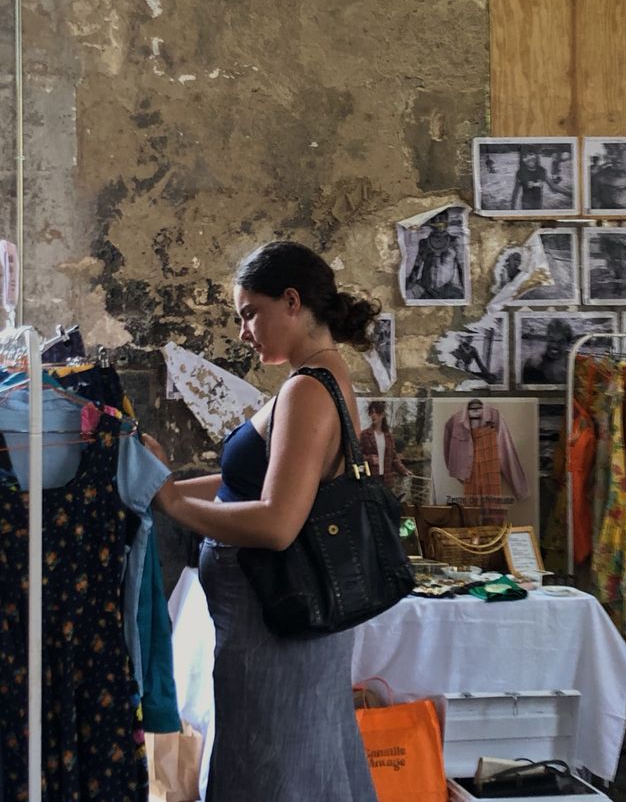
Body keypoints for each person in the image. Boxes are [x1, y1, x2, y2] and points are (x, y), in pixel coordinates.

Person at [143, 241, 380, 802]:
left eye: (250, 313)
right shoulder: (319, 378)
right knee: (295, 762)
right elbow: (245, 486)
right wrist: (165, 485)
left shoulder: (307, 390)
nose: (244, 331)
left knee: (274, 770)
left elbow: (278, 521)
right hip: (273, 625)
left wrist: (174, 506)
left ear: (291, 301)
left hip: (275, 627)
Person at [406, 210, 465, 300]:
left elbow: (462, 269)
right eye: (435, 219)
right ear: (431, 222)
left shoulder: (454, 241)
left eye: (441, 219)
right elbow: (416, 267)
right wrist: (407, 287)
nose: (438, 222)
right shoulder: (424, 243)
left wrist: (464, 289)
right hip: (425, 290)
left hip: (447, 291)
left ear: (447, 221)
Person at [359, 400, 411, 487]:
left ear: (382, 415)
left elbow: (394, 457)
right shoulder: (365, 434)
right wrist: (368, 459)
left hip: (387, 480)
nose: (373, 415)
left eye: (376, 412)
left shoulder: (389, 436)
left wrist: (404, 470)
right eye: (371, 413)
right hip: (371, 479)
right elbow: (358, 455)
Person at [522, 317, 573, 386]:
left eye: (561, 342)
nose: (555, 345)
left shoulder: (575, 366)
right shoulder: (534, 365)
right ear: (547, 339)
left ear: (568, 344)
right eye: (551, 340)